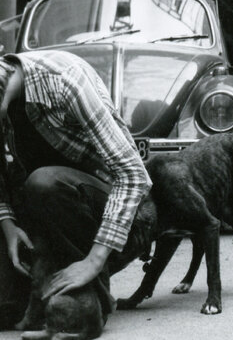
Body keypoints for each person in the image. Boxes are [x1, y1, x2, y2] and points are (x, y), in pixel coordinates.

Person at [0, 50, 151, 332]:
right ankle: (42, 288)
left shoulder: (65, 81)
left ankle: (94, 295)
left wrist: (93, 262)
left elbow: (133, 176)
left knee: (44, 181)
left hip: (111, 214)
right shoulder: (5, 101)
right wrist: (7, 225)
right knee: (5, 308)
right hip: (38, 217)